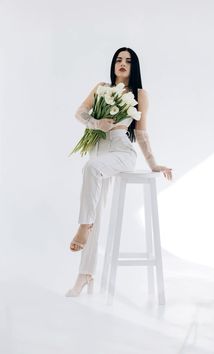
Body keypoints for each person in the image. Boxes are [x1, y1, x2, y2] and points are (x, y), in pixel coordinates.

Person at [65, 47, 172, 297]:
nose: (123, 63)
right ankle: (84, 275)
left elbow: (142, 133)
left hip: (121, 151)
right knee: (97, 209)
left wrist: (154, 164)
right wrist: (95, 123)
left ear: (134, 67)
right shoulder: (101, 87)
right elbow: (79, 112)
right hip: (98, 149)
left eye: (128, 61)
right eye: (119, 60)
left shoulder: (139, 94)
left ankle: (83, 225)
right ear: (113, 64)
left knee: (90, 170)